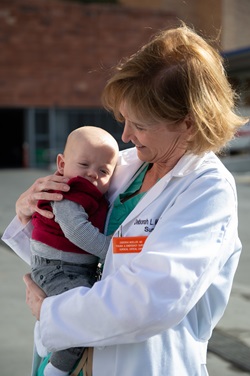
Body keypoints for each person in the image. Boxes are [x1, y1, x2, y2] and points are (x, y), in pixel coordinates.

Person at [2, 23, 248, 376]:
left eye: (140, 124)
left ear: (189, 123)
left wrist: (52, 312)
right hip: (69, 351)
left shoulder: (207, 190)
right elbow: (80, 251)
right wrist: (32, 210)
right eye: (124, 119)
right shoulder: (127, 164)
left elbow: (149, 301)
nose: (125, 135)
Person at [30, 125, 119, 376]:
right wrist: (108, 248)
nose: (92, 174)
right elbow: (76, 231)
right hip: (56, 268)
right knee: (80, 321)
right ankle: (56, 371)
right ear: (62, 163)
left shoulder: (92, 195)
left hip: (73, 268)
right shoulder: (68, 192)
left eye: (103, 171)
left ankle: (47, 332)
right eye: (84, 164)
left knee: (78, 313)